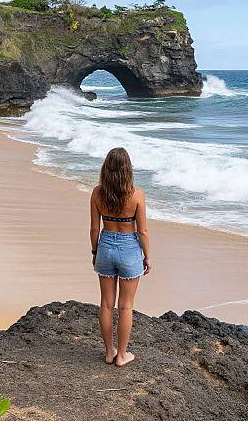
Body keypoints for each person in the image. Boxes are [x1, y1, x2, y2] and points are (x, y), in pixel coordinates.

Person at [90, 147, 151, 367]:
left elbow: (94, 229)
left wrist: (95, 252)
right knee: (125, 306)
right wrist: (147, 256)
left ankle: (109, 353)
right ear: (128, 169)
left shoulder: (97, 193)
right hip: (129, 248)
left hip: (105, 245)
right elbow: (142, 231)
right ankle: (122, 355)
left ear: (106, 168)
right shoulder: (137, 195)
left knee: (106, 304)